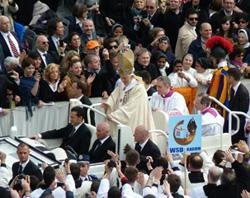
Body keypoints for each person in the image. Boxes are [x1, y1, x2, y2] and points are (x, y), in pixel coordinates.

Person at [102, 49, 155, 132]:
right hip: (119, 117)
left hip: (134, 119)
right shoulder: (121, 84)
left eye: (125, 78)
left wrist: (114, 115)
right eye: (121, 77)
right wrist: (108, 104)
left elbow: (130, 107)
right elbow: (113, 96)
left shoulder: (139, 88)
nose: (123, 80)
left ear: (131, 76)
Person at [206, 35, 234, 116]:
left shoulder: (221, 73)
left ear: (217, 58)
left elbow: (218, 96)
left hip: (218, 109)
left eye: (213, 59)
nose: (212, 61)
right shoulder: (224, 70)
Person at [227, 67, 249, 143]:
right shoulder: (233, 88)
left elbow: (243, 111)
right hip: (233, 122)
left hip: (238, 125)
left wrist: (235, 126)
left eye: (227, 77)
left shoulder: (243, 92)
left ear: (231, 77)